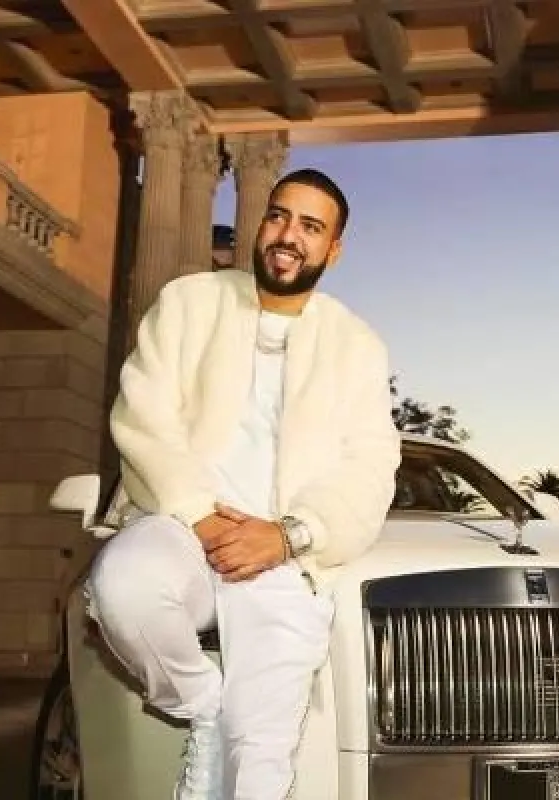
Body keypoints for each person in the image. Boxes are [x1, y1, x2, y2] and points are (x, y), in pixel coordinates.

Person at [85, 168, 401, 800]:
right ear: (261, 225)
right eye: (278, 216)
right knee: (123, 587)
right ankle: (202, 705)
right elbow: (144, 413)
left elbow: (369, 466)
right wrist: (199, 516)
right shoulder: (188, 303)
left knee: (257, 768)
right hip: (181, 526)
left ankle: (229, 736)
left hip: (281, 558)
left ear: (333, 249)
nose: (288, 236)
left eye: (310, 226)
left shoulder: (357, 345)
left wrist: (289, 536)